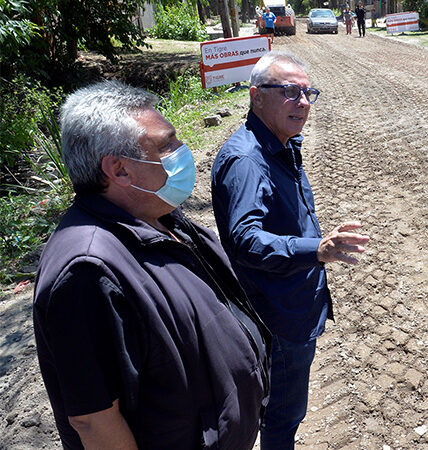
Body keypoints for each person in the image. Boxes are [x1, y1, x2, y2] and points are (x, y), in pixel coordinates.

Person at [33, 80, 271, 449]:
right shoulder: (87, 272)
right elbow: (94, 422)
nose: (182, 151)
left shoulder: (158, 216)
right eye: (165, 145)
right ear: (119, 169)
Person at [211, 51, 370, 449]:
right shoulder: (248, 159)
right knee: (282, 417)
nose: (301, 101)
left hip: (292, 304)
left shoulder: (282, 143)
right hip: (277, 316)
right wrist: (316, 248)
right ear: (256, 96)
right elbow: (245, 239)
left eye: (306, 92)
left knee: (283, 411)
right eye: (288, 91)